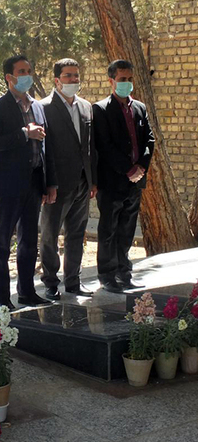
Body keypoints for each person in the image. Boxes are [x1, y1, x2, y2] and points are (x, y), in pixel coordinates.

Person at [0, 55, 57, 310]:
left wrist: (49, 183)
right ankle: (2, 297)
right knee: (2, 242)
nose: (27, 75)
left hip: (34, 184)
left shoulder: (37, 107)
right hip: (9, 185)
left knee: (29, 241)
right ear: (9, 77)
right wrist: (25, 133)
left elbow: (47, 147)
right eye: (21, 71)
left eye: (29, 70)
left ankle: (26, 292)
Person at [93, 59, 154, 293]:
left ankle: (124, 272)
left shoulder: (140, 107)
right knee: (108, 229)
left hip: (136, 181)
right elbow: (104, 146)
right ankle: (107, 276)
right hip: (112, 180)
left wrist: (141, 167)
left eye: (129, 79)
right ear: (111, 81)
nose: (126, 83)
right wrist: (128, 169)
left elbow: (149, 139)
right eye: (122, 79)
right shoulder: (100, 109)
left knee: (127, 228)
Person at [39, 58, 97, 300]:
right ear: (57, 80)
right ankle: (50, 282)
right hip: (57, 184)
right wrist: (47, 183)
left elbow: (91, 147)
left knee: (76, 233)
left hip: (83, 182)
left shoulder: (86, 107)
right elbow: (43, 150)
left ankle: (73, 281)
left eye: (76, 75)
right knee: (50, 234)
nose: (74, 80)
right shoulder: (44, 107)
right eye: (68, 75)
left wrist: (93, 180)